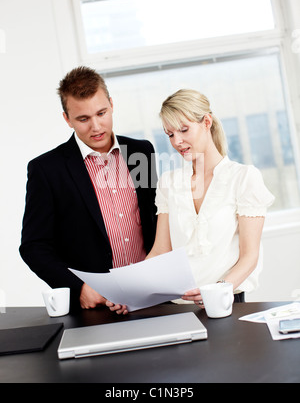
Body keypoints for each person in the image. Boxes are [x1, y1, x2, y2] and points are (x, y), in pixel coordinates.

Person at [108, 89, 274, 314]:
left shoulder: (244, 178)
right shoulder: (169, 182)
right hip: (178, 306)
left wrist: (218, 290)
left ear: (207, 122)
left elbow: (249, 256)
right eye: (170, 134)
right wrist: (128, 291)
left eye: (184, 130)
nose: (177, 141)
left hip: (226, 302)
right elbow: (160, 251)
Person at [19, 66, 157, 310]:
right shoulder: (47, 169)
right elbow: (34, 247)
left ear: (111, 105)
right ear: (67, 119)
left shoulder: (141, 152)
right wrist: (79, 288)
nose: (96, 126)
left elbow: (156, 221)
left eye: (101, 113)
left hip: (151, 296)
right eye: (83, 119)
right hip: (95, 308)